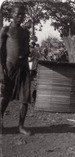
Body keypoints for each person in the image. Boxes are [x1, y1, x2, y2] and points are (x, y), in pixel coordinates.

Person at [0, 5, 32, 135]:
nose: (21, 17)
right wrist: (1, 71)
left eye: (23, 15)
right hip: (9, 67)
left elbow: (25, 48)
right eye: (18, 14)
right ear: (11, 14)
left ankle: (21, 126)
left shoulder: (26, 32)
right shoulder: (5, 30)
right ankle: (0, 123)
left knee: (25, 98)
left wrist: (26, 55)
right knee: (5, 97)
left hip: (23, 67)